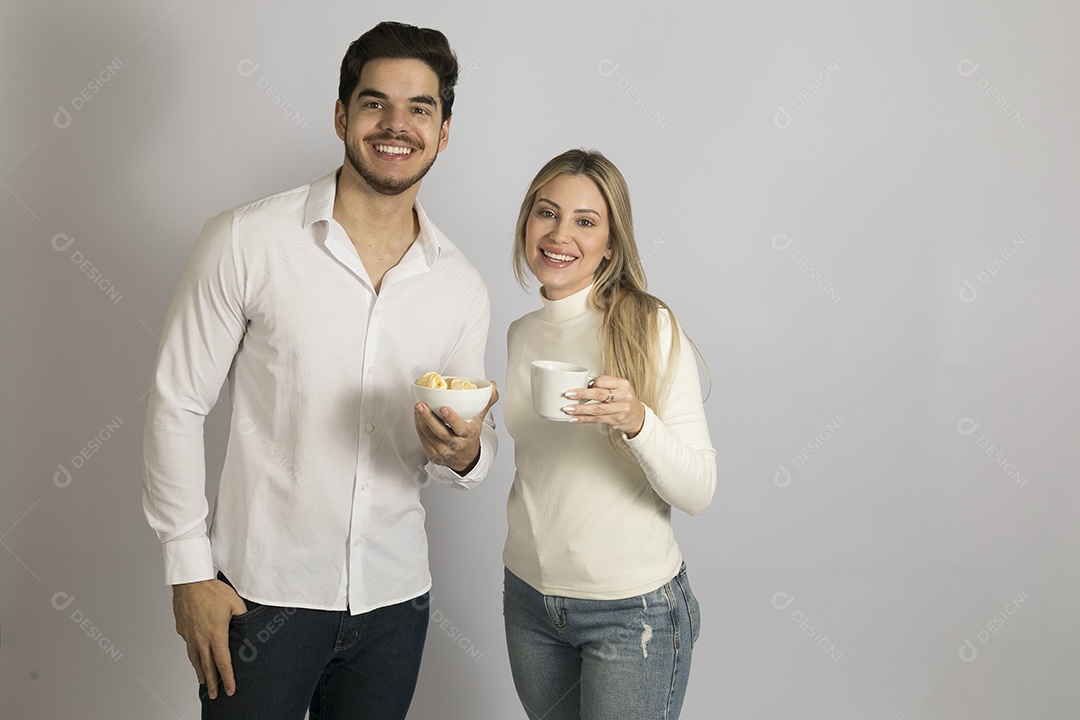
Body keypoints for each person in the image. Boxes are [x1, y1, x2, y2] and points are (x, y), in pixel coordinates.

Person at [142, 21, 497, 720]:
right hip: (260, 597)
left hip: (396, 604)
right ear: (342, 115)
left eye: (420, 108)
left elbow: (469, 439)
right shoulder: (246, 240)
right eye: (375, 103)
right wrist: (188, 571)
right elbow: (177, 402)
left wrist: (467, 452)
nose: (396, 125)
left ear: (444, 130)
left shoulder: (461, 286)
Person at [502, 149, 716, 720]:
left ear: (612, 245)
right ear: (527, 222)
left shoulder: (649, 325)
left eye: (585, 221)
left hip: (631, 613)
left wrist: (637, 422)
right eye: (546, 212)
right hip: (529, 603)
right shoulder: (520, 334)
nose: (559, 234)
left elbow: (699, 490)